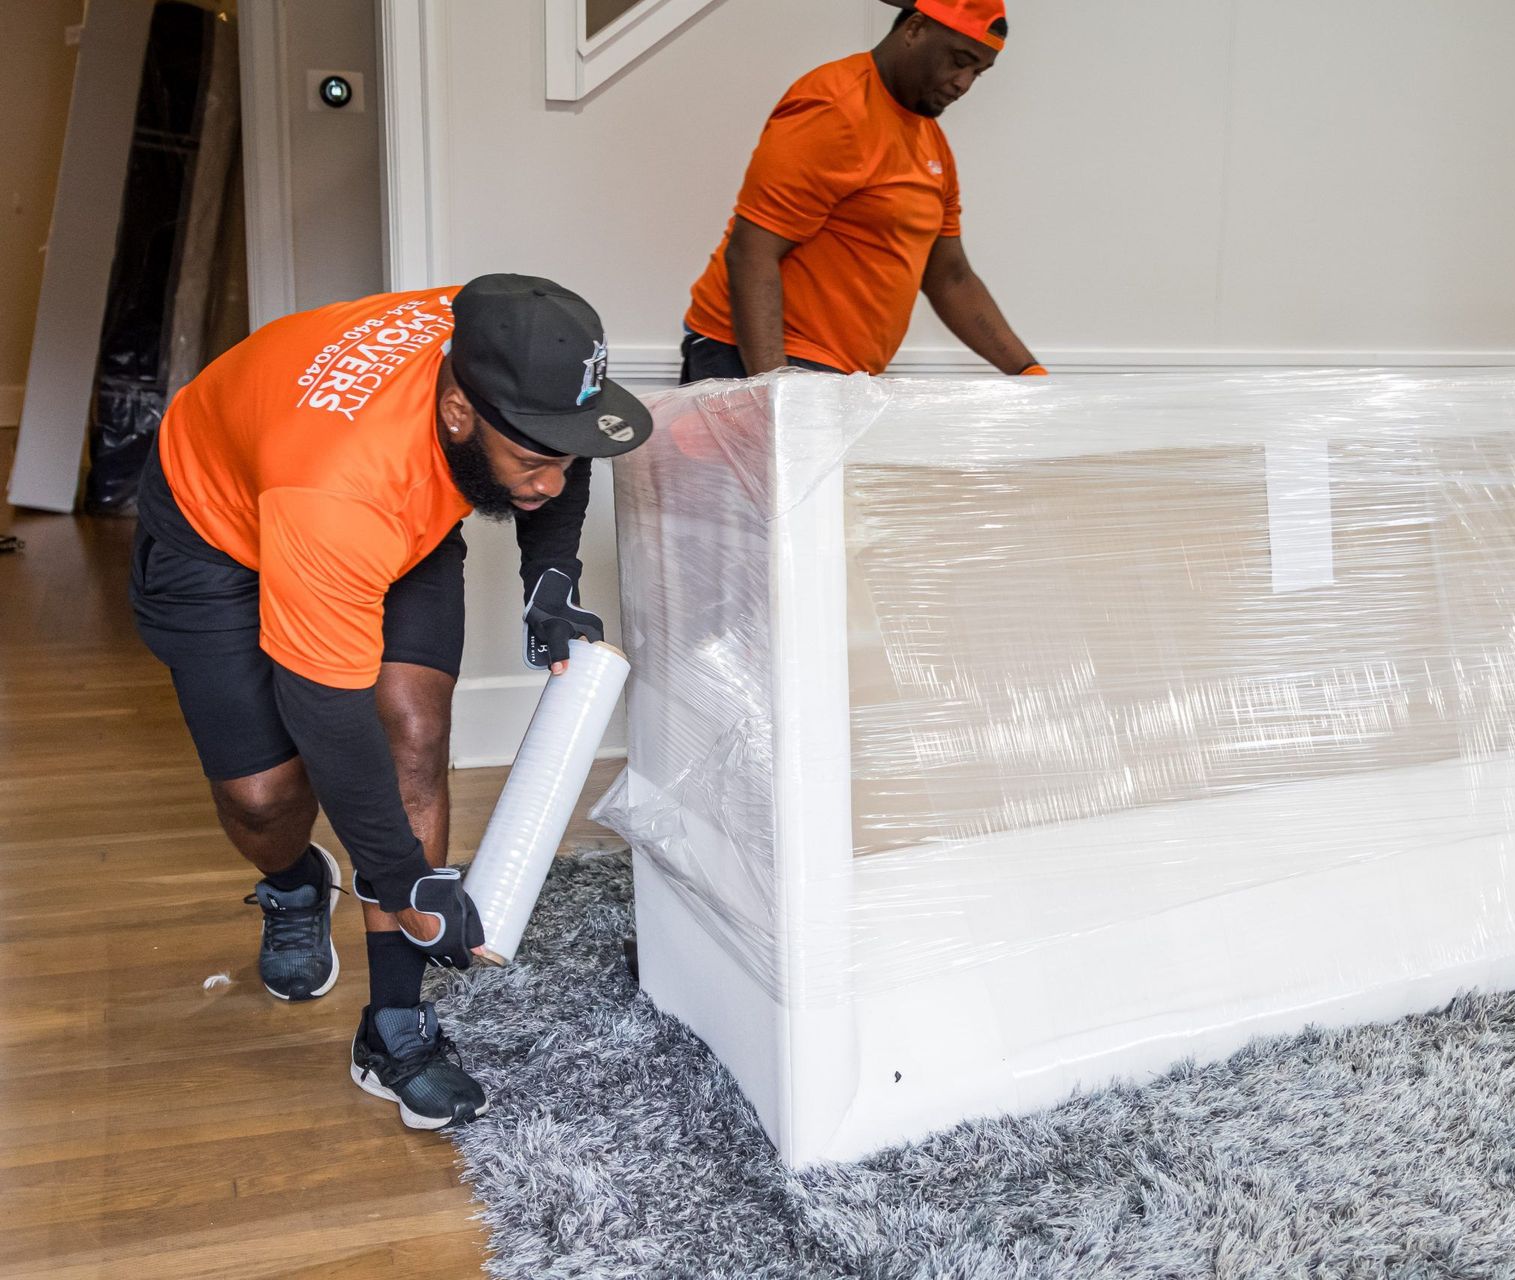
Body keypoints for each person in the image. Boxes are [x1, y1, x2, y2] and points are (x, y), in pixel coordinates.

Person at [129, 275, 651, 1129]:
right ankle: (295, 885)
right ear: (455, 412)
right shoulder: (341, 493)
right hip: (216, 527)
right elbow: (326, 715)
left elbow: (565, 439)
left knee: (414, 733)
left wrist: (549, 577)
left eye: (563, 457)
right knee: (265, 799)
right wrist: (409, 884)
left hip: (368, 502)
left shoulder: (511, 344)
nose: (553, 485)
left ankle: (394, 1029)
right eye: (530, 462)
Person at [681, 0, 1045, 384]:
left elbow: (950, 277)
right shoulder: (834, 108)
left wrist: (1029, 372)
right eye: (959, 60)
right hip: (759, 358)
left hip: (837, 374)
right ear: (915, 28)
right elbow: (751, 252)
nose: (963, 83)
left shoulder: (928, 140)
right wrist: (776, 389)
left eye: (978, 72)